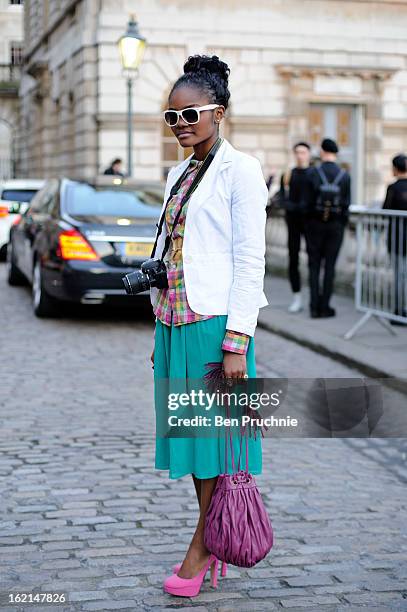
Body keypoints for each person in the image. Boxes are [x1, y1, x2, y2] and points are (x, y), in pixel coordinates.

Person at [149, 54, 268, 597]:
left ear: (218, 112)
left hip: (213, 324)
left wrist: (237, 341)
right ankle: (212, 535)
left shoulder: (239, 169)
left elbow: (250, 260)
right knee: (197, 442)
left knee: (214, 441)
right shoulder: (179, 171)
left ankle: (201, 549)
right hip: (175, 322)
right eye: (172, 117)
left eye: (191, 113)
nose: (181, 124)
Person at [304, 138, 351, 318]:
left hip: (315, 225)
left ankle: (314, 306)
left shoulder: (313, 174)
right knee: (330, 267)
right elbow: (346, 204)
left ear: (323, 151)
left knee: (314, 266)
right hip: (335, 226)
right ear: (336, 153)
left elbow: (307, 204)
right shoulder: (344, 175)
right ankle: (326, 306)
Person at [279, 142, 312, 313]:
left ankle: (315, 299)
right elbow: (281, 198)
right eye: (297, 152)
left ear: (308, 154)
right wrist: (292, 207)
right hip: (292, 222)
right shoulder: (288, 174)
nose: (300, 155)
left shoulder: (314, 174)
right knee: (293, 259)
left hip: (310, 223)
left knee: (314, 259)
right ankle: (297, 297)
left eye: (303, 152)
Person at [382, 153, 407, 323]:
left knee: (399, 275)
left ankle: (399, 311)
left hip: (398, 238)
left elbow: (385, 211)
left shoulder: (394, 188)